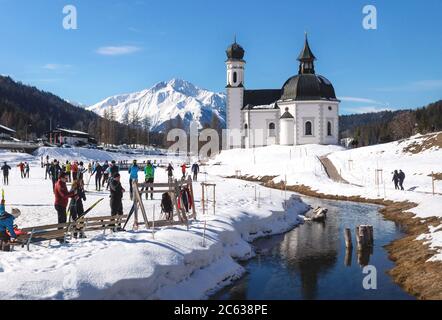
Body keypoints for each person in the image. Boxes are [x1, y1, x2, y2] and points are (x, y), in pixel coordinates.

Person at [53, 173, 74, 243]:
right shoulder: (59, 184)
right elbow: (64, 195)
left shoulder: (63, 183)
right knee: (61, 221)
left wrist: (73, 195)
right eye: (65, 178)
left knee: (63, 220)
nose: (66, 179)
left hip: (62, 205)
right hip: (59, 204)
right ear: (61, 177)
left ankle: (60, 235)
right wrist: (73, 193)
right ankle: (60, 236)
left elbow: (66, 193)